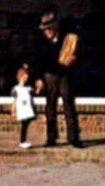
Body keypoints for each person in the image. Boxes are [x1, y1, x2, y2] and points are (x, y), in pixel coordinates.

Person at [31, 10, 81, 148]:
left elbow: (74, 54)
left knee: (68, 105)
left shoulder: (66, 38)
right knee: (50, 107)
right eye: (45, 29)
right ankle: (51, 138)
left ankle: (74, 137)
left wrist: (73, 60)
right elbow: (37, 61)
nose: (47, 31)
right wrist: (39, 78)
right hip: (49, 75)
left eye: (49, 28)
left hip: (64, 74)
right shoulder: (40, 42)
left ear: (55, 26)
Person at [11, 66, 36, 149]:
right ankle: (22, 141)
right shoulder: (16, 89)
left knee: (26, 124)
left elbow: (32, 98)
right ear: (20, 77)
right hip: (22, 110)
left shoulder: (29, 88)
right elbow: (14, 101)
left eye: (27, 78)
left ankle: (23, 141)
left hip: (28, 109)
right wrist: (13, 110)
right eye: (24, 78)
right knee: (24, 125)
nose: (26, 79)